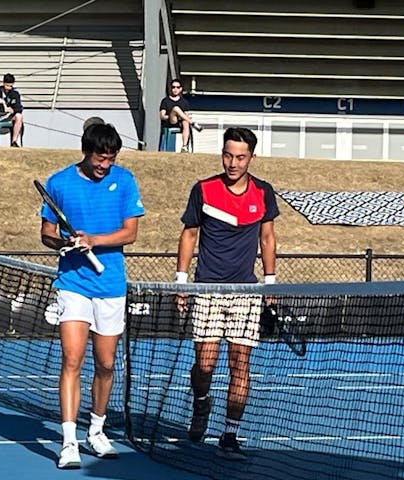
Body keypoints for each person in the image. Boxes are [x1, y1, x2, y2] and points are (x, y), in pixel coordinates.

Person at [40, 123, 145, 469]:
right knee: (72, 360)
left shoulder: (125, 181)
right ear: (87, 152)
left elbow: (130, 233)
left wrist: (94, 241)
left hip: (111, 285)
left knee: (106, 363)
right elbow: (47, 234)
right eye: (100, 158)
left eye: (111, 159)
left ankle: (96, 430)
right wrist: (65, 244)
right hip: (73, 285)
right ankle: (69, 441)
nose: (105, 165)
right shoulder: (59, 182)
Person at [175, 126, 278, 460]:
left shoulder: (263, 192)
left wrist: (270, 284)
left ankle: (230, 432)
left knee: (240, 364)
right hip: (207, 288)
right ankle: (201, 402)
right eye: (228, 155)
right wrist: (181, 282)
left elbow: (267, 238)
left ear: (251, 157)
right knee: (204, 365)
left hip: (246, 291)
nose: (233, 163)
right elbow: (189, 235)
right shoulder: (203, 189)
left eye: (240, 157)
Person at [159, 78, 203, 153]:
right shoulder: (165, 101)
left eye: (177, 87)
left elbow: (186, 115)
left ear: (181, 89)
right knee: (176, 108)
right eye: (173, 87)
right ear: (171, 88)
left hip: (180, 122)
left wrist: (182, 117)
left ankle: (184, 146)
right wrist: (169, 116)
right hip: (170, 121)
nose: (175, 89)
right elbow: (162, 116)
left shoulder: (184, 102)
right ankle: (193, 123)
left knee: (186, 122)